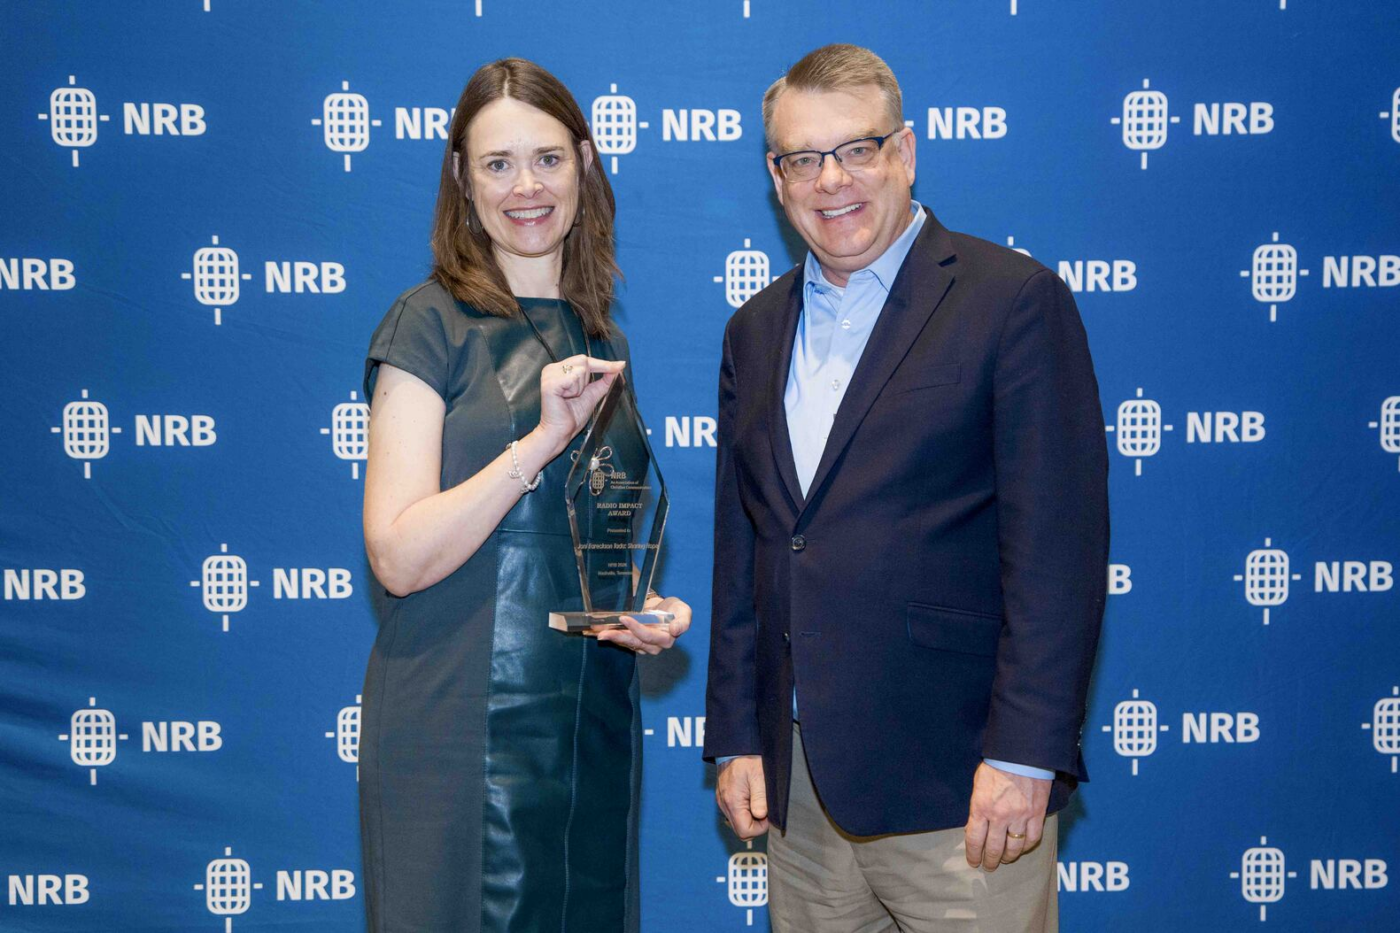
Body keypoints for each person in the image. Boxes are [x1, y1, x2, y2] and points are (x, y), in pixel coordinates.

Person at [704, 44, 1108, 933]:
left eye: (858, 148)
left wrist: (1026, 754)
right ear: (777, 178)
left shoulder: (1013, 301)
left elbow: (1058, 553)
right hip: (800, 792)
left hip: (962, 788)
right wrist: (737, 732)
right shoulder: (754, 331)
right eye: (802, 159)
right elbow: (749, 548)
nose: (831, 180)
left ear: (907, 152)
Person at [358, 58, 690, 933]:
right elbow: (396, 555)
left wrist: (636, 607)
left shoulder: (599, 335)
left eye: (546, 158)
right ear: (462, 182)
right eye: (497, 164)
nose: (526, 186)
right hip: (455, 732)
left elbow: (573, 543)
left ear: (585, 163)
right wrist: (538, 440)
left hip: (586, 733)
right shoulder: (425, 323)